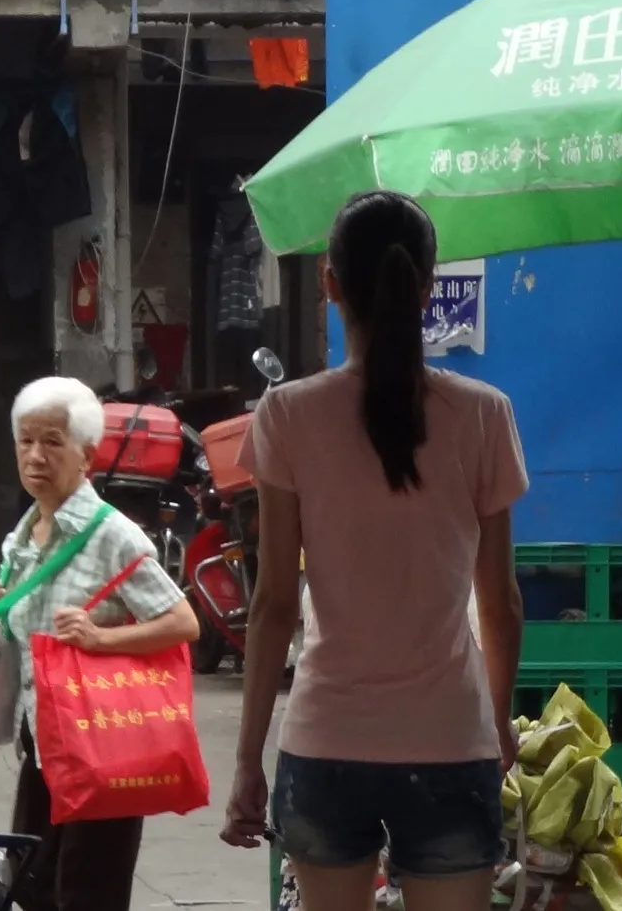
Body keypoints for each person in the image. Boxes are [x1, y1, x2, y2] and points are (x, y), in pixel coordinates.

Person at [222, 190, 528, 911]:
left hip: (326, 742)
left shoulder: (286, 414)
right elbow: (501, 602)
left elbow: (270, 606)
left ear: (328, 284)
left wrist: (246, 762)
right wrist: (498, 713)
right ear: (426, 288)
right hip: (451, 740)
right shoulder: (483, 415)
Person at [0, 374, 198, 911]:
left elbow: (183, 622)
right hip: (44, 747)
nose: (35, 455)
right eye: (25, 441)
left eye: (52, 442)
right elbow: (27, 638)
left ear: (86, 455)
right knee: (33, 884)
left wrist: (100, 638)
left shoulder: (112, 534)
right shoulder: (23, 537)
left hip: (102, 747)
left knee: (88, 894)